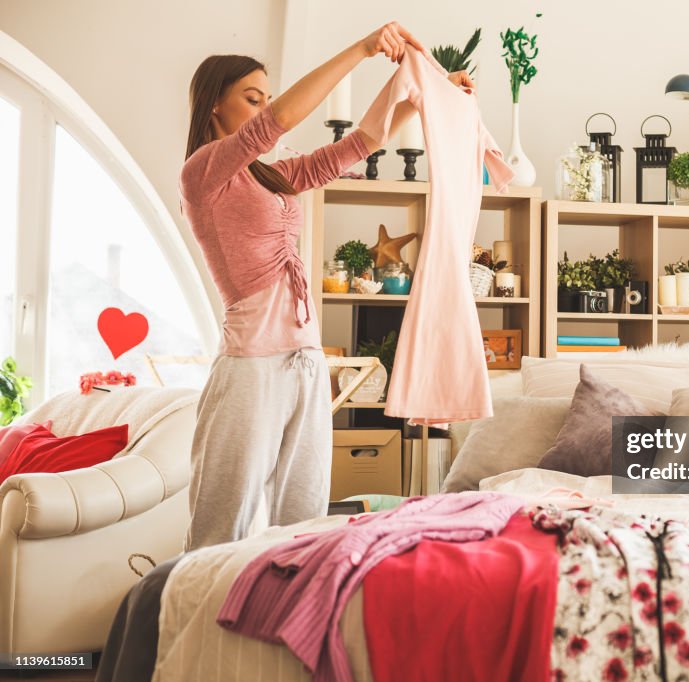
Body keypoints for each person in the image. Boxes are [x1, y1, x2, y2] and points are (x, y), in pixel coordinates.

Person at [179, 22, 474, 551]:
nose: (264, 108)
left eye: (266, 98)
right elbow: (277, 123)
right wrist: (362, 49)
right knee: (222, 522)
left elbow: (362, 142)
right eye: (252, 98)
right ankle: (195, 616)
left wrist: (429, 93)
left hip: (305, 362)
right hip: (252, 368)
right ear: (214, 105)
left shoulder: (269, 176)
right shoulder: (203, 172)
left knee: (304, 517)